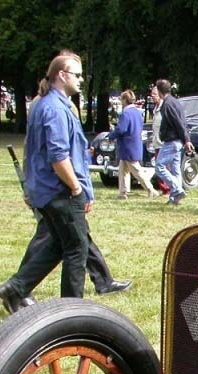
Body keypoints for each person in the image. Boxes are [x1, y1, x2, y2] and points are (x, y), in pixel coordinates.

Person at [0, 52, 94, 310]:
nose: (81, 79)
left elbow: (33, 149)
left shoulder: (45, 105)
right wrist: (76, 188)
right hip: (61, 192)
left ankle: (16, 288)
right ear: (62, 76)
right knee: (77, 249)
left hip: (46, 191)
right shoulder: (54, 108)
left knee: (58, 245)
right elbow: (58, 156)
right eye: (77, 75)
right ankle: (71, 312)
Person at [109, 89, 158, 200]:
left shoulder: (126, 113)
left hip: (128, 146)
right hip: (134, 144)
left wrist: (111, 135)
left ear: (125, 100)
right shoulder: (137, 112)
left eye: (122, 99)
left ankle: (151, 190)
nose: (121, 101)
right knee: (123, 169)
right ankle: (123, 192)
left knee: (136, 170)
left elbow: (121, 129)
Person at [154, 78, 194, 206]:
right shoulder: (175, 102)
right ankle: (175, 199)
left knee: (159, 167)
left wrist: (187, 140)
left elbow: (179, 123)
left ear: (160, 91)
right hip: (178, 142)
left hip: (172, 142)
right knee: (176, 170)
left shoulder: (168, 104)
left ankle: (177, 189)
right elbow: (182, 122)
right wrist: (185, 140)